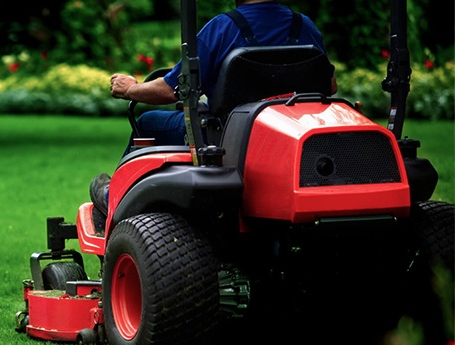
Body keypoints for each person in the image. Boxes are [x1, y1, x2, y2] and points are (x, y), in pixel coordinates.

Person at [90, 0, 337, 227]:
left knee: (147, 122)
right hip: (291, 136)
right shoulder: (304, 26)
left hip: (225, 139)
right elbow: (330, 85)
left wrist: (131, 88)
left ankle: (113, 198)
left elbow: (171, 89)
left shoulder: (222, 28)